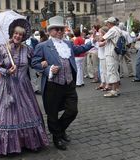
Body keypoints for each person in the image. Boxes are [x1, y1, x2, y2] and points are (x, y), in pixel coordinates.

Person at [0, 18, 49, 155]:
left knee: (27, 112)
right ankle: (7, 146)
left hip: (24, 87)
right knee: (7, 114)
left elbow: (33, 63)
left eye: (21, 34)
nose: (18, 36)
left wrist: (43, 64)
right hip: (6, 87)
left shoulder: (27, 49)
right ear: (12, 33)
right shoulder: (2, 49)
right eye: (16, 33)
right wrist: (6, 71)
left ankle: (31, 142)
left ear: (24, 37)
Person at [31, 15, 96, 150]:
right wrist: (48, 68)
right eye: (56, 29)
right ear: (49, 31)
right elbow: (35, 63)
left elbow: (79, 50)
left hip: (69, 83)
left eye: (61, 29)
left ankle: (59, 131)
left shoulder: (68, 43)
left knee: (72, 111)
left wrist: (92, 42)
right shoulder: (42, 46)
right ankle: (57, 137)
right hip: (52, 84)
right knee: (52, 113)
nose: (59, 31)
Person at [100, 17, 121, 97]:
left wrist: (98, 36)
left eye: (107, 23)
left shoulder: (112, 30)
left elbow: (102, 39)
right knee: (115, 71)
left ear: (110, 23)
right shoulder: (118, 29)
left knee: (111, 71)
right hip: (115, 52)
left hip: (110, 52)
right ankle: (117, 89)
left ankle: (113, 91)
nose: (107, 24)